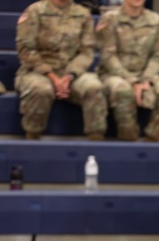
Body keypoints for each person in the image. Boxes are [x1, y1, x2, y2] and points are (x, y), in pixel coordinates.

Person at [15, 0, 109, 141]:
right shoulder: (35, 11)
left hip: (72, 72)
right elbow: (25, 50)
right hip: (38, 71)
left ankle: (96, 141)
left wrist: (69, 76)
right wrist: (52, 76)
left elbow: (87, 52)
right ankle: (33, 138)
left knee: (94, 87)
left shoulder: (83, 14)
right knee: (41, 90)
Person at [96, 0, 159, 142]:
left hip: (146, 74)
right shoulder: (110, 18)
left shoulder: (155, 20)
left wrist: (146, 79)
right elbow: (108, 56)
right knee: (123, 90)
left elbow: (158, 54)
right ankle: (128, 141)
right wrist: (132, 81)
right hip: (114, 74)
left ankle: (152, 141)